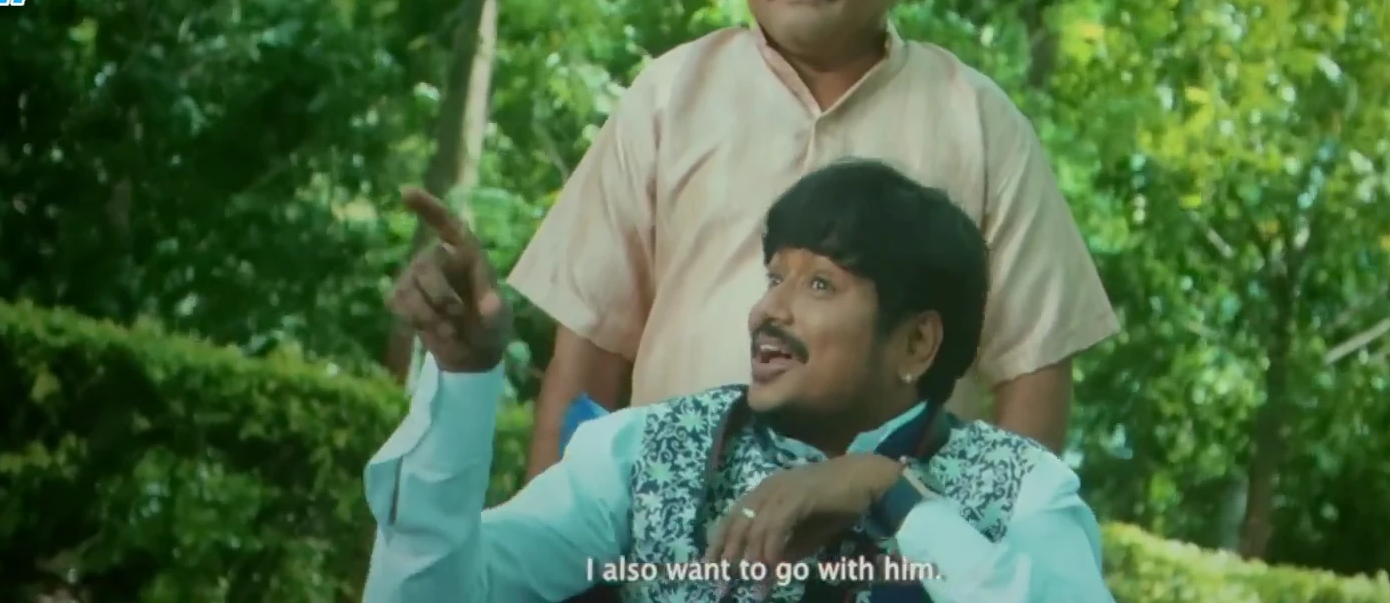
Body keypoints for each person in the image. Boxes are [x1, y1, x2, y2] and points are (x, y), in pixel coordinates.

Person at [504, 0, 1119, 483]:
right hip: (672, 523)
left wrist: (992, 537)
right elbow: (588, 351)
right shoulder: (669, 96)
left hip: (897, 532)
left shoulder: (977, 121)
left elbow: (1035, 367)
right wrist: (549, 539)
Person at [365, 160, 1116, 603]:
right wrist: (465, 379)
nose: (768, 311)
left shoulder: (1020, 488)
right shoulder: (644, 453)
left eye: (819, 285)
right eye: (773, 277)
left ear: (917, 340)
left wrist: (890, 493)